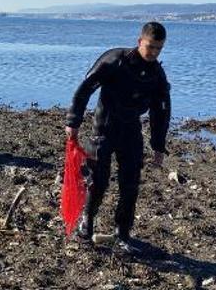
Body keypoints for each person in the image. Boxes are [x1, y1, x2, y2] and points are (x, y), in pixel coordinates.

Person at [65, 21, 171, 252]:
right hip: (104, 129)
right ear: (139, 41)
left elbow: (161, 110)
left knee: (130, 184)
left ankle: (122, 233)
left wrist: (158, 145)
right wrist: (73, 121)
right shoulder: (115, 60)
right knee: (99, 182)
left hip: (131, 130)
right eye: (150, 47)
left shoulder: (156, 74)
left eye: (159, 49)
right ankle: (86, 227)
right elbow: (85, 88)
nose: (153, 53)